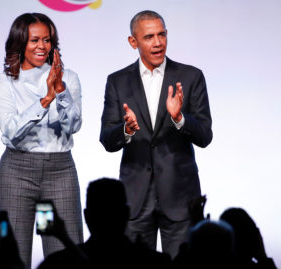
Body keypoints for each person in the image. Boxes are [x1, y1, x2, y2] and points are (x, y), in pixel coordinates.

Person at [99, 10, 213, 258]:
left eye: (161, 35)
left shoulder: (191, 77)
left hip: (180, 198)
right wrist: (125, 130)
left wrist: (179, 118)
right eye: (149, 37)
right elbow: (107, 139)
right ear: (133, 42)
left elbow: (205, 136)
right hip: (135, 199)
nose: (158, 42)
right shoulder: (117, 82)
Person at [0, 13, 83, 269]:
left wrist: (60, 91)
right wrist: (45, 100)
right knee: (12, 254)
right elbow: (11, 132)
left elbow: (73, 126)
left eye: (47, 40)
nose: (42, 46)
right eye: (34, 40)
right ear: (20, 42)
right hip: (17, 172)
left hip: (60, 172)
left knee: (64, 254)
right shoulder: (5, 82)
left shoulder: (69, 78)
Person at [38, 178, 171, 269]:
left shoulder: (57, 263)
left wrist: (64, 237)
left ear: (87, 216)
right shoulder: (157, 263)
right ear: (126, 214)